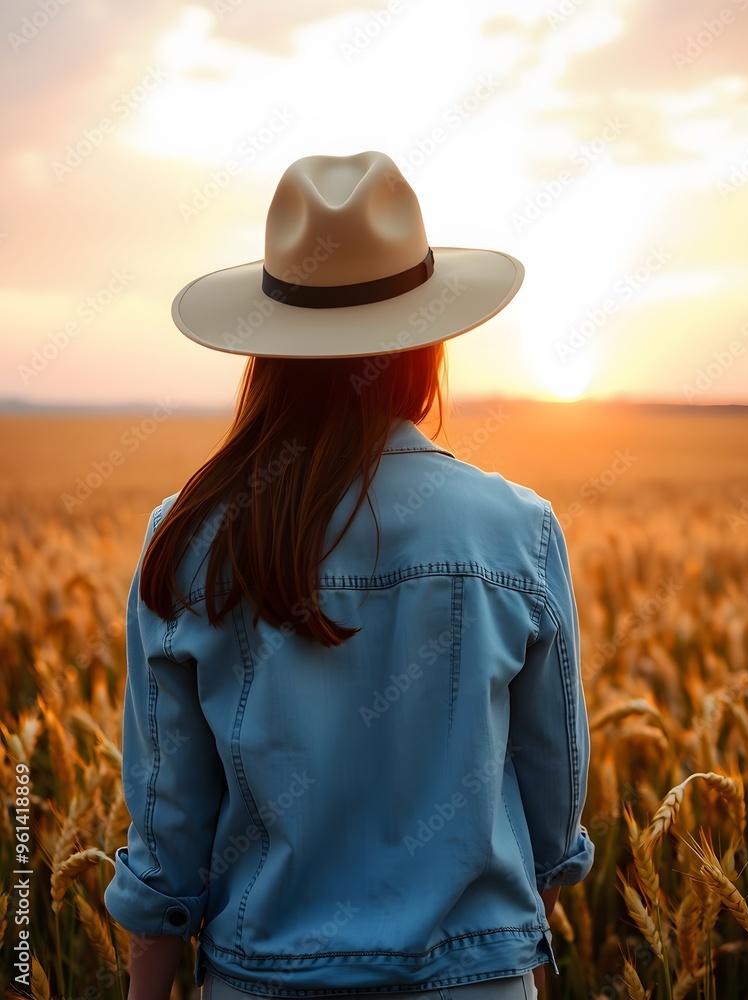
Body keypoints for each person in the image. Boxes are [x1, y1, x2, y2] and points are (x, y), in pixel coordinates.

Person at [103, 150, 595, 1000]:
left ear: (267, 349)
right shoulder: (519, 532)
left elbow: (166, 834)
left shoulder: (185, 539)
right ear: (428, 349)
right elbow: (553, 816)